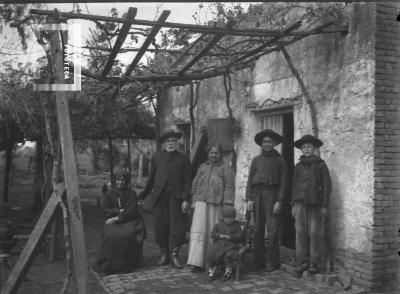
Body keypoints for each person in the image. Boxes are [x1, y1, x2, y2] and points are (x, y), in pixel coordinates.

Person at [139, 129, 192, 269]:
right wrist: (143, 195)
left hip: (177, 198)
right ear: (163, 144)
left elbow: (188, 181)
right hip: (160, 197)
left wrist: (186, 199)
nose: (171, 143)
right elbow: (151, 180)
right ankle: (164, 254)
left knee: (177, 227)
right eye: (168, 141)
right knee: (160, 226)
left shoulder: (184, 158)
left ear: (177, 142)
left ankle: (174, 255)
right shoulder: (157, 157)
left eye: (173, 140)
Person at [246, 129, 288, 272]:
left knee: (273, 229)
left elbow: (284, 182)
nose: (267, 144)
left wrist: (279, 201)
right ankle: (259, 261)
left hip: (272, 195)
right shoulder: (256, 160)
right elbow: (250, 180)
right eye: (264, 142)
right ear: (261, 144)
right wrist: (249, 199)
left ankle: (271, 261)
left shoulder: (280, 160)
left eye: (269, 141)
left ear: (275, 143)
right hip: (257, 195)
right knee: (257, 229)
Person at [187, 144, 235, 271]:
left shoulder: (226, 169)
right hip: (201, 203)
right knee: (199, 231)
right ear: (208, 154)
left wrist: (227, 205)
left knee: (213, 231)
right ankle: (197, 262)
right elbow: (195, 183)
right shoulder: (203, 167)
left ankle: (213, 262)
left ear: (221, 155)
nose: (214, 155)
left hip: (216, 204)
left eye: (216, 153)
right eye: (211, 153)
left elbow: (229, 187)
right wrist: (194, 196)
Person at [93, 168, 146, 275]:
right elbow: (104, 210)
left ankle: (127, 264)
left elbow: (132, 211)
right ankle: (109, 264)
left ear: (126, 181)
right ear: (114, 180)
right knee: (111, 236)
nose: (120, 182)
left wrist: (117, 217)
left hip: (129, 220)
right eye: (118, 180)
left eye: (123, 180)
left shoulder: (132, 193)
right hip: (112, 221)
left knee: (128, 235)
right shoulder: (109, 194)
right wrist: (118, 211)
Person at [291, 134, 332, 274]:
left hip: (315, 203)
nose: (307, 149)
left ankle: (314, 263)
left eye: (309, 147)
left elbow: (327, 186)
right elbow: (294, 185)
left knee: (314, 233)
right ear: (301, 150)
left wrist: (324, 206)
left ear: (314, 148)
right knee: (300, 232)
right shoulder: (298, 166)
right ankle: (302, 261)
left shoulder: (321, 165)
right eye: (304, 147)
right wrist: (293, 204)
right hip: (299, 203)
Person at [206, 206, 243, 282]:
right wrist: (219, 235)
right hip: (219, 245)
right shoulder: (218, 225)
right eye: (227, 218)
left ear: (234, 217)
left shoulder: (236, 225)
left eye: (231, 218)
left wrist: (230, 237)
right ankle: (212, 271)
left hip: (231, 245)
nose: (229, 220)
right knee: (212, 252)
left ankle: (228, 271)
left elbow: (240, 236)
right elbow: (213, 234)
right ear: (223, 217)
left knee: (228, 255)